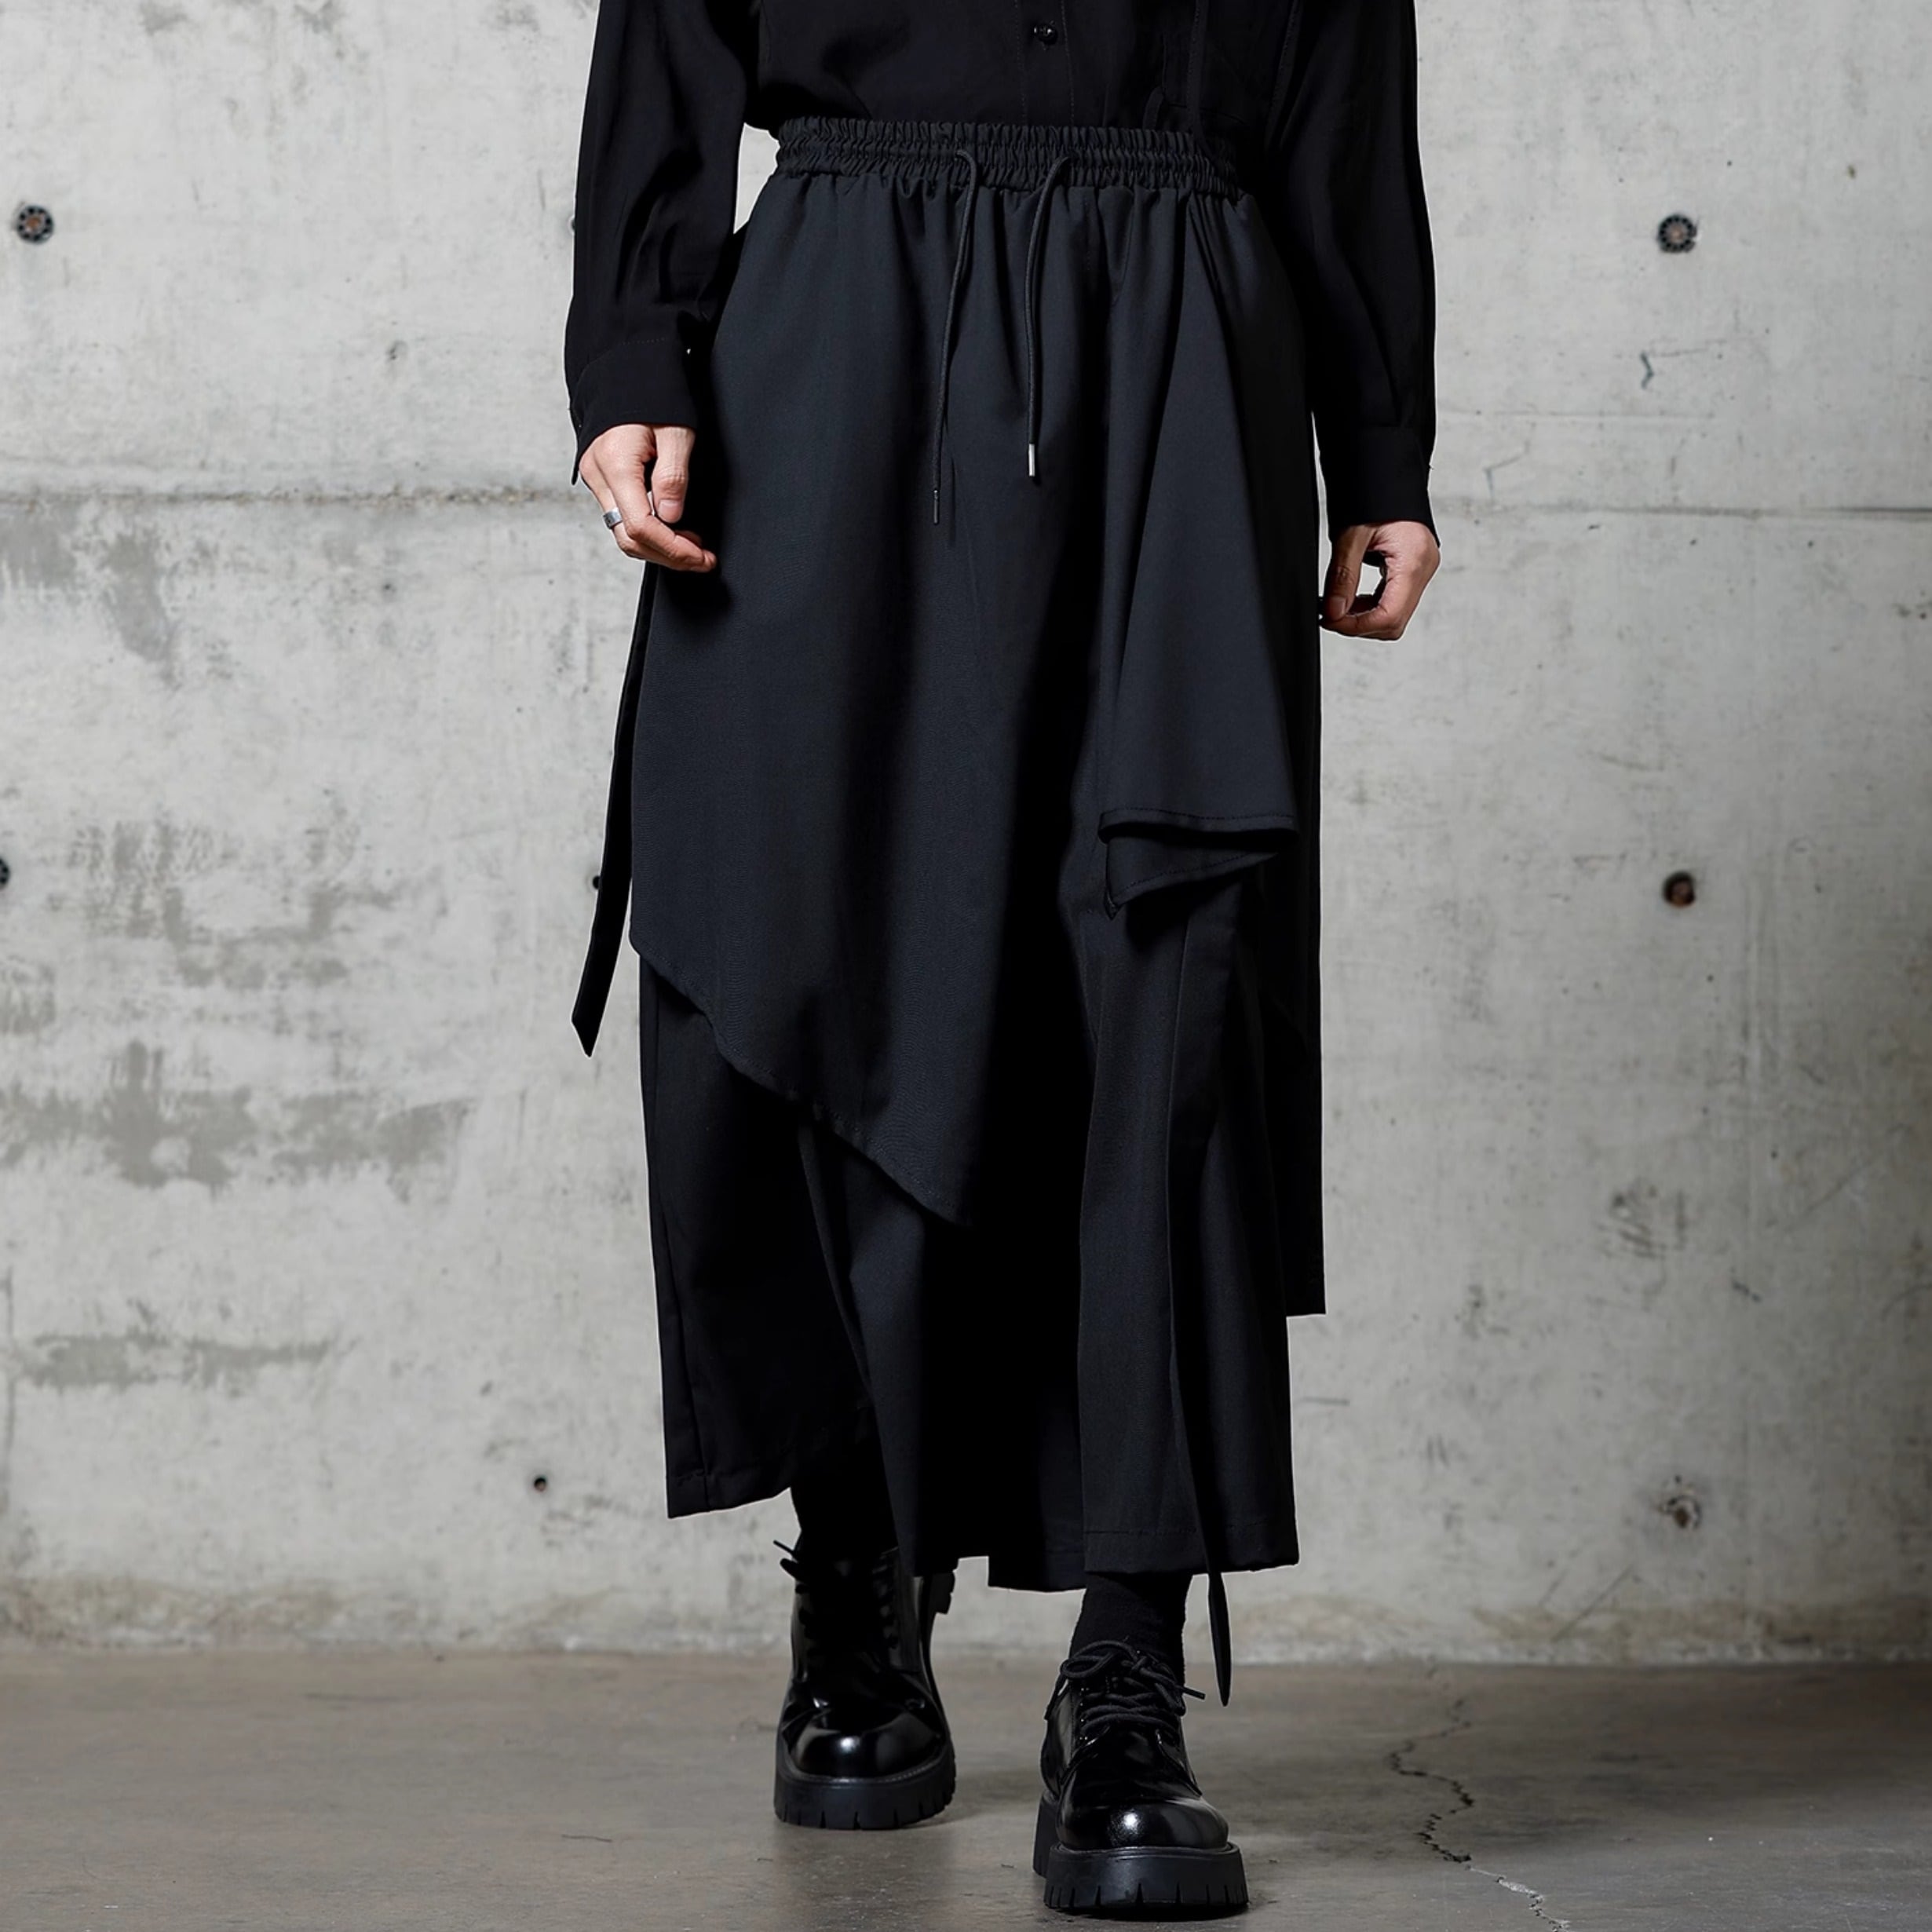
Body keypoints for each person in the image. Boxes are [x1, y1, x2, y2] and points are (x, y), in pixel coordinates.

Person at [563, 0, 1438, 1916]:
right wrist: (635, 341)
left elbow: (1346, 69)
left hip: (1183, 332)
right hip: (838, 322)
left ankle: (1124, 1671)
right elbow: (669, 29)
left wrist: (1380, 433)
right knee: (807, 943)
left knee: (1166, 988)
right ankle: (854, 1570)